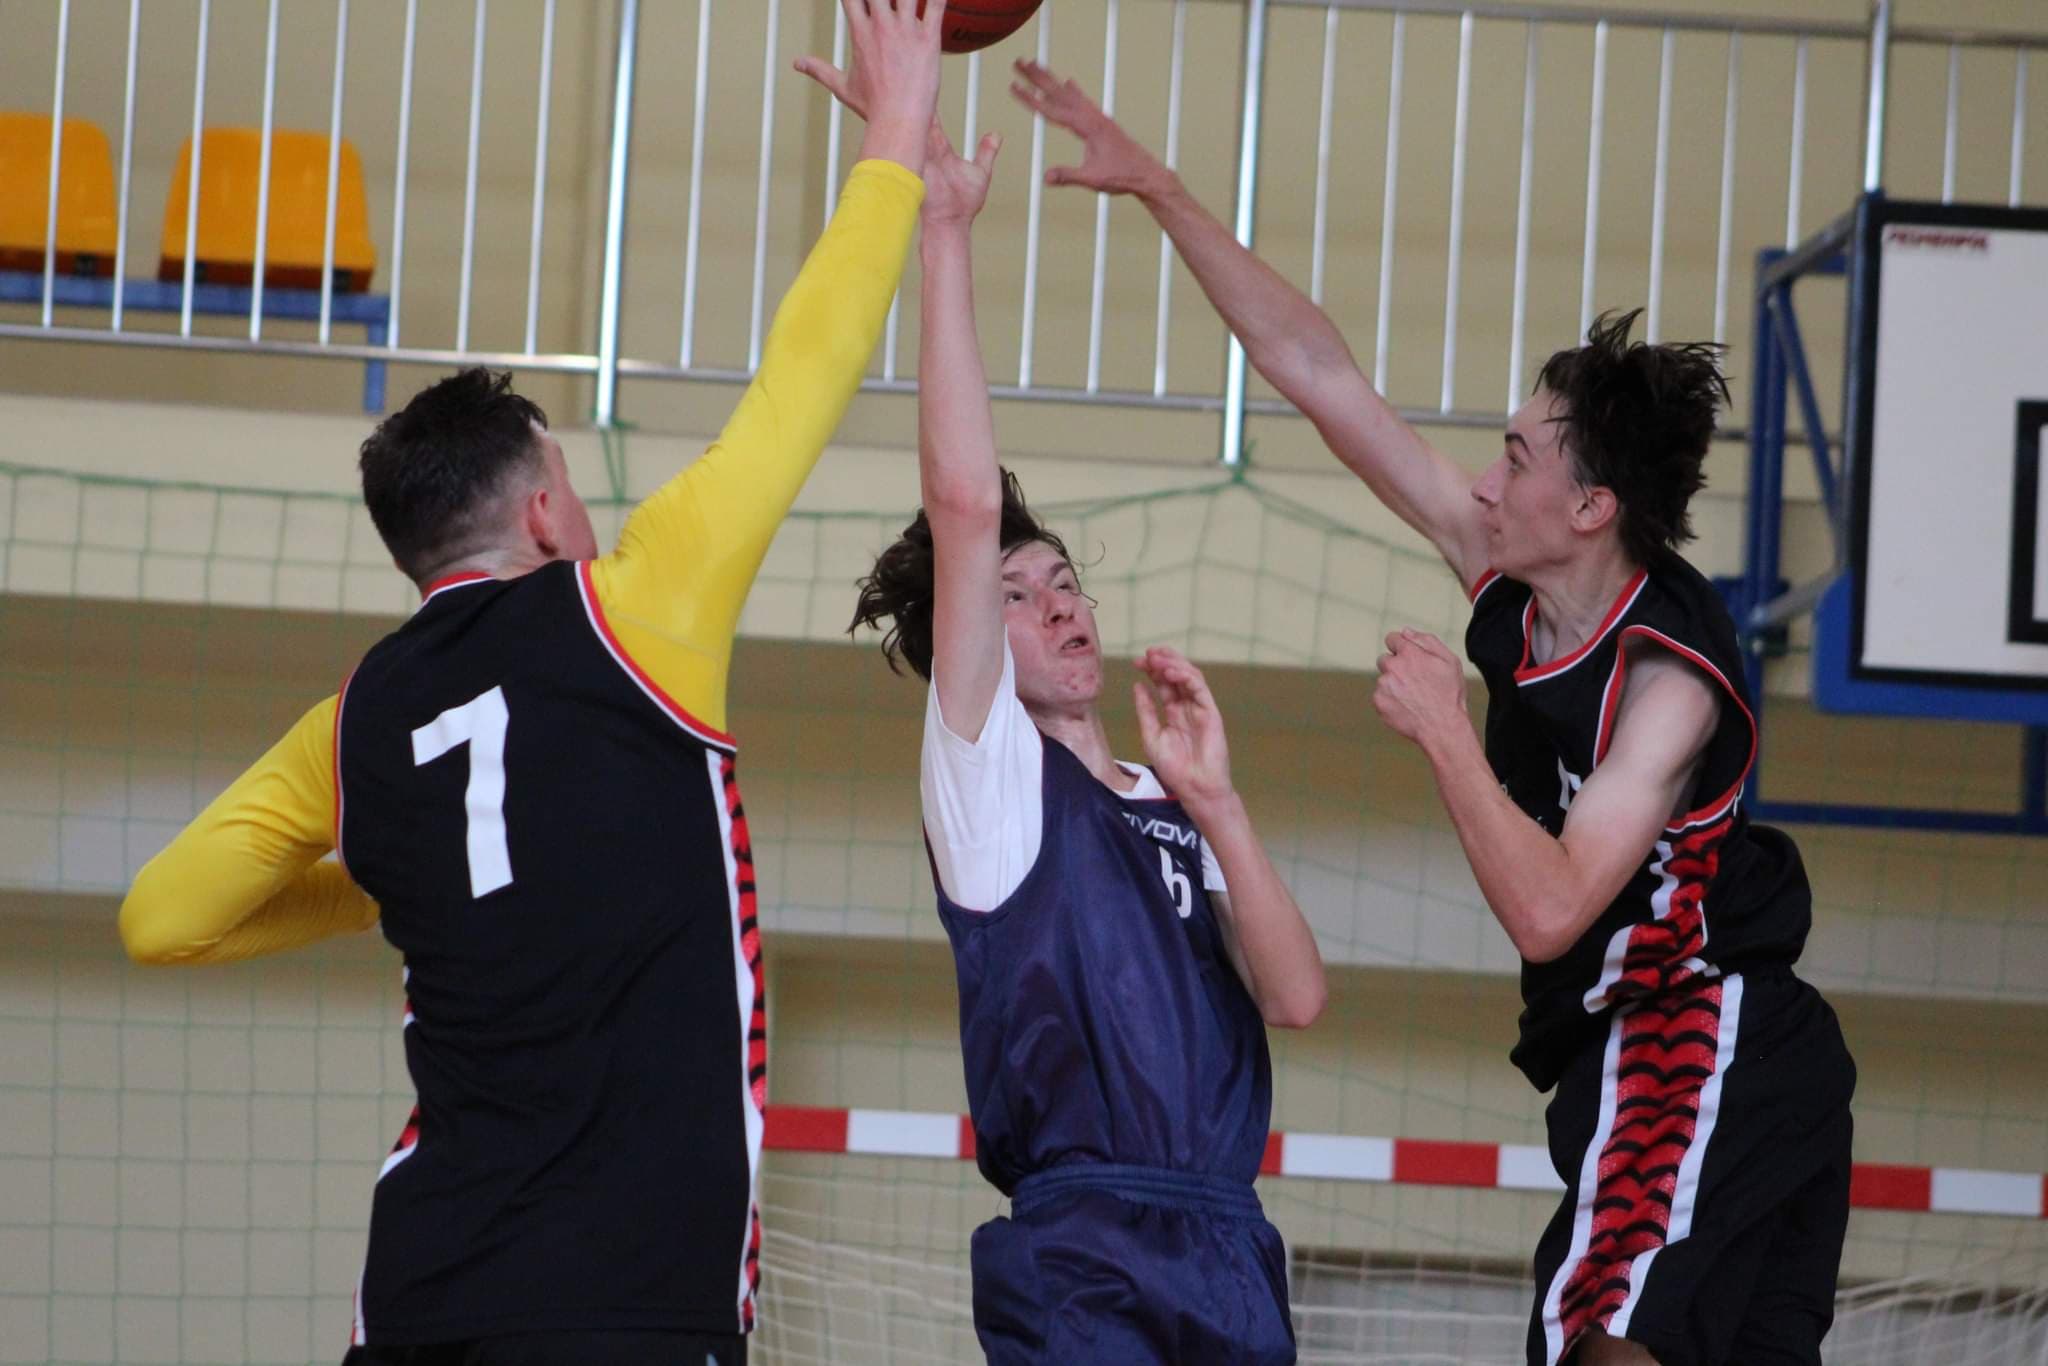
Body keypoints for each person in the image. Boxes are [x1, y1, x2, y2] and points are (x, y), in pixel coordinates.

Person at [115, 4, 948, 1361]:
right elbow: (809, 366)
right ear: (548, 512)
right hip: (632, 1294)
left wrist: (383, 874)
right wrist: (900, 123)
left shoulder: (353, 720)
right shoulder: (636, 603)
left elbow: (162, 919)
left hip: (424, 1296)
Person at [1014, 61, 1856, 1366]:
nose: (1482, 479)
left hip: (1702, 1025)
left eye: (1515, 456)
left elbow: (1551, 910)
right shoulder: (1507, 571)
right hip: (1682, 1057)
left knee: (1598, 1339)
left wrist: (1445, 730)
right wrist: (1162, 191)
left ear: (1590, 508)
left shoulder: (1668, 684)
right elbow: (1316, 369)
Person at [844, 105, 1326, 1366]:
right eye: (1016, 594)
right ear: (969, 639)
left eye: (1064, 581)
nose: (1057, 603)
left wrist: (1217, 803)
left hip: (1230, 1247)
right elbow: (963, 503)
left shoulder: (1170, 796)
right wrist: (944, 233)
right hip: (1085, 1251)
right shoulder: (988, 777)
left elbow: (1296, 996)